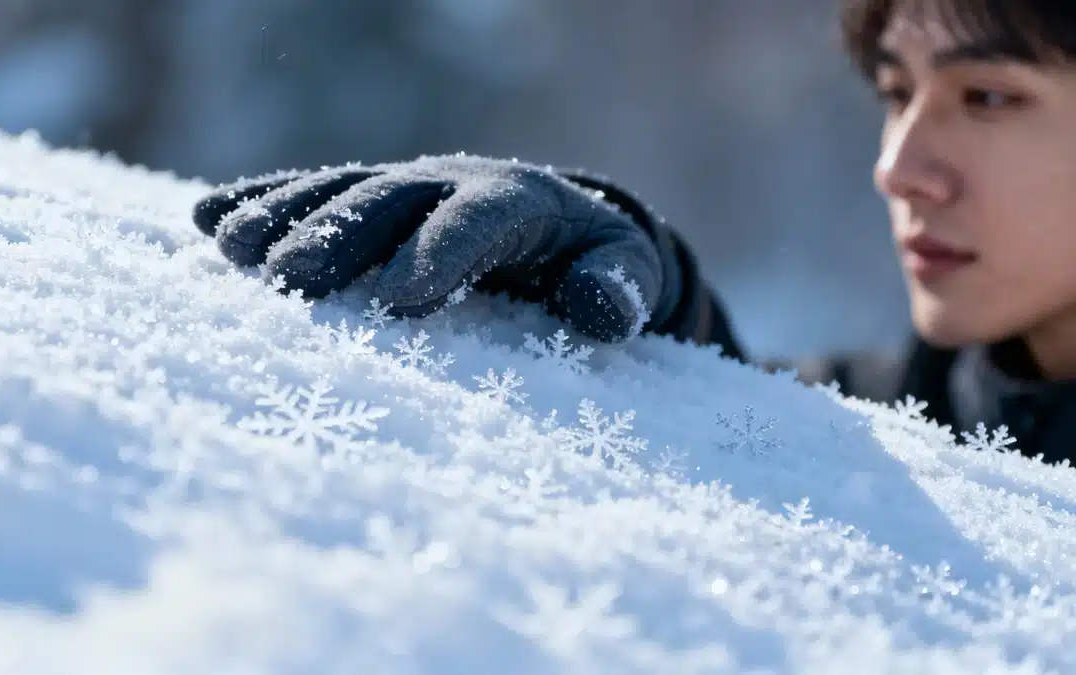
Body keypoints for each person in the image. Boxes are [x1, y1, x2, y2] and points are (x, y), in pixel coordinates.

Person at [189, 0, 1076, 464]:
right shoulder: (903, 424)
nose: (899, 167)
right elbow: (754, 423)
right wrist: (655, 290)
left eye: (987, 97)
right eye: (895, 92)